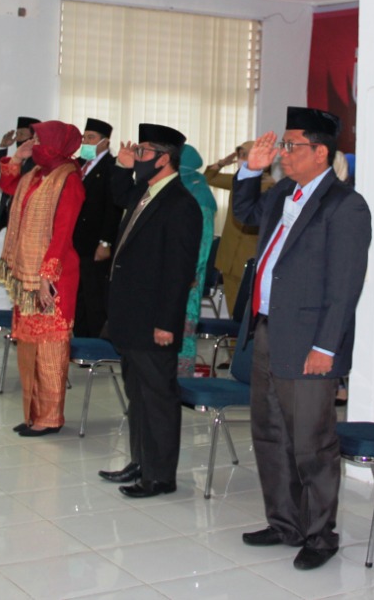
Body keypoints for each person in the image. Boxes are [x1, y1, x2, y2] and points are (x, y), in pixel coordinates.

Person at [233, 107, 371, 572]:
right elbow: (245, 213)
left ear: (320, 153)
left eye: (291, 146)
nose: (283, 154)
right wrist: (250, 170)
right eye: (283, 146)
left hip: (310, 340)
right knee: (270, 433)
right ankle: (284, 522)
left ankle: (319, 534)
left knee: (312, 442)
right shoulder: (282, 193)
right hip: (268, 329)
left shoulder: (345, 205)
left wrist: (326, 348)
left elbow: (345, 286)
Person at [98, 124, 202, 498]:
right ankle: (141, 462)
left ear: (164, 158)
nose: (137, 157)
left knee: (158, 398)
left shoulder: (181, 204)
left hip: (154, 321)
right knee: (138, 395)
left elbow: (179, 272)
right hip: (131, 317)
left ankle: (160, 476)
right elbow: (118, 194)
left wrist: (166, 323)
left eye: (143, 152)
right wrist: (122, 166)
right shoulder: (144, 192)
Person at [0, 121, 85, 436]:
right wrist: (17, 158)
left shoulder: (69, 179)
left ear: (55, 144)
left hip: (54, 278)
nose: (34, 143)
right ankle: (32, 413)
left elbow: (63, 231)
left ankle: (49, 417)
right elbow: (9, 187)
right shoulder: (36, 174)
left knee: (50, 349)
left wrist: (48, 274)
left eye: (38, 139)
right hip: (28, 276)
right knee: (28, 348)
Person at [205, 141, 272, 311]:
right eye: (240, 155)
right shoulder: (239, 181)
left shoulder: (272, 187)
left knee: (246, 309)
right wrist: (222, 163)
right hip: (229, 257)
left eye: (245, 155)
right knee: (232, 308)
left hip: (249, 257)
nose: (241, 159)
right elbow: (209, 178)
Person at [71, 117, 121, 338]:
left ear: (105, 142)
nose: (86, 142)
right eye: (84, 137)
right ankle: (80, 340)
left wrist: (105, 242)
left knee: (94, 296)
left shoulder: (111, 167)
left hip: (95, 243)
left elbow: (113, 209)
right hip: (76, 241)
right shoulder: (80, 164)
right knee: (77, 294)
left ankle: (95, 344)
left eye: (91, 138)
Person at [178, 144, 218, 377]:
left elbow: (203, 242)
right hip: (168, 272)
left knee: (182, 329)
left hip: (188, 275)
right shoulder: (176, 188)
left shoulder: (200, 193)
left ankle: (183, 379)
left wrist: (191, 272)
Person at [0, 117, 40, 234]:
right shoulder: (19, 157)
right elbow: (2, 170)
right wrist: (3, 146)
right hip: (7, 211)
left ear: (32, 138)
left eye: (22, 134)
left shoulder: (37, 162)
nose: (18, 138)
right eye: (17, 134)